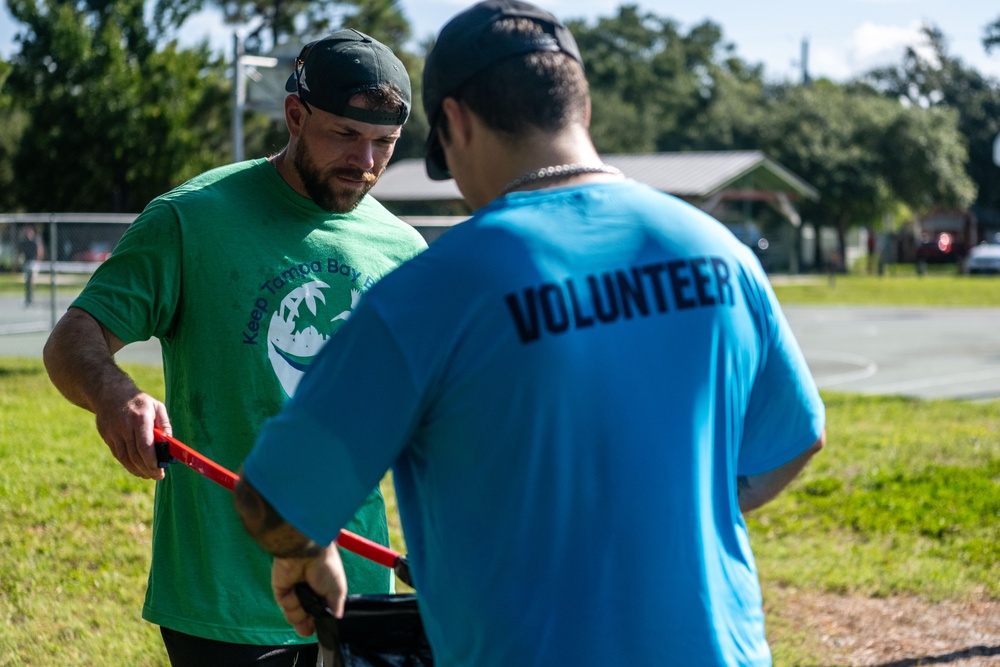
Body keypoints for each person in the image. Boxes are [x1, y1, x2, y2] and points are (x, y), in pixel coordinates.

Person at [234, 2, 826, 665]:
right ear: (582, 110)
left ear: (453, 121)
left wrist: (305, 552)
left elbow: (274, 503)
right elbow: (795, 438)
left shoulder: (435, 290)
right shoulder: (720, 254)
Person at [43, 28, 426, 666]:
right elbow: (71, 341)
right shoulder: (191, 219)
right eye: (344, 135)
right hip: (219, 599)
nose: (365, 161)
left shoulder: (403, 251)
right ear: (295, 115)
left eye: (383, 143)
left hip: (354, 593)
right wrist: (117, 396)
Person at [18, 225, 42, 306]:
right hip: (26, 262)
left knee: (32, 280)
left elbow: (39, 251)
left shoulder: (35, 241)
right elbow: (20, 251)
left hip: (33, 262)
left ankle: (30, 296)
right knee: (27, 280)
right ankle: (28, 296)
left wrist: (38, 260)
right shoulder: (24, 242)